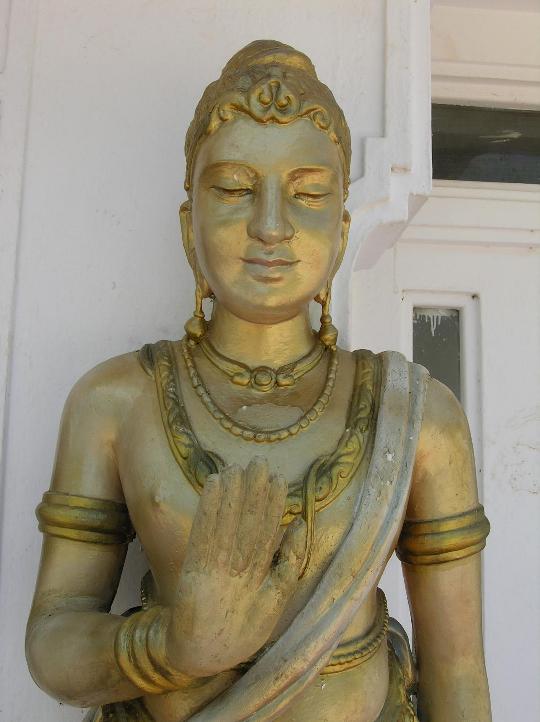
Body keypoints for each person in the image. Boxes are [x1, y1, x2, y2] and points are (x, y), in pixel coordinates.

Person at [26, 40, 492, 722]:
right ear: (188, 226)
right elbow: (52, 641)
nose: (270, 226)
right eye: (234, 189)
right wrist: (175, 649)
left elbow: (457, 670)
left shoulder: (418, 417)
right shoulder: (116, 403)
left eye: (307, 194)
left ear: (341, 230)